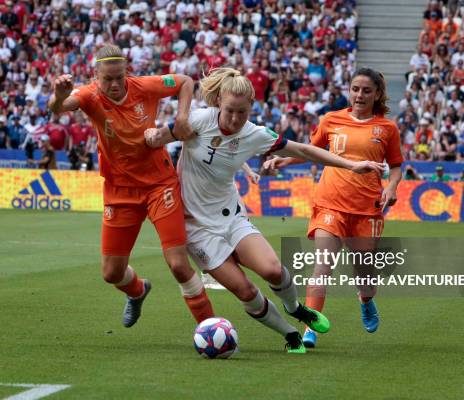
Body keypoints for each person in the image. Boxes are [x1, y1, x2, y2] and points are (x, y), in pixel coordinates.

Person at [144, 68, 385, 353]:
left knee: (272, 270)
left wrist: (351, 164)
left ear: (251, 109)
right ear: (219, 101)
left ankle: (296, 309)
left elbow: (305, 151)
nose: (235, 119)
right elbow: (156, 140)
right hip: (196, 228)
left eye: (242, 113)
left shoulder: (255, 134)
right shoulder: (197, 120)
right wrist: (152, 134)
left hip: (230, 217)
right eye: (230, 111)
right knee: (245, 290)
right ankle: (289, 334)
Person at [48, 43, 214, 329]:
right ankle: (137, 291)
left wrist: (182, 116)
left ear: (127, 72)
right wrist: (57, 96)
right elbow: (59, 109)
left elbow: (186, 82)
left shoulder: (145, 87)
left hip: (159, 185)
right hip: (119, 190)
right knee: (112, 273)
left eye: (118, 77)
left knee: (177, 263)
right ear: (95, 76)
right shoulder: (88, 95)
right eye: (107, 79)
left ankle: (211, 327)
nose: (113, 84)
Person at [264, 67, 403, 348]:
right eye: (355, 89)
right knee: (322, 267)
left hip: (366, 209)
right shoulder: (331, 119)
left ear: (377, 94)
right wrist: (282, 161)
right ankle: (310, 328)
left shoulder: (387, 128)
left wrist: (391, 187)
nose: (359, 95)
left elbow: (397, 166)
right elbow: (309, 150)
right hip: (330, 203)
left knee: (364, 272)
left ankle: (365, 300)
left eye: (366, 90)